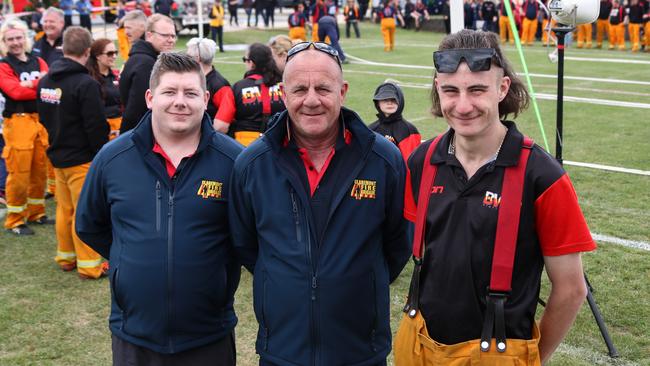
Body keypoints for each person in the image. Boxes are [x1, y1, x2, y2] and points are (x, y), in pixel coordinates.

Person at [393, 29, 596, 365]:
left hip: (498, 352)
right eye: (450, 90)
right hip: (419, 344)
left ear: (502, 88)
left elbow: (572, 289)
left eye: (477, 90)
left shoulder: (542, 176)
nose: (463, 105)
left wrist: (533, 358)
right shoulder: (422, 160)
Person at [229, 41, 411, 366]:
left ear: (342, 92)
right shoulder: (252, 164)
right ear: (283, 94)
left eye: (323, 88)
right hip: (282, 352)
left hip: (360, 352)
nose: (311, 100)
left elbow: (397, 245)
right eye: (299, 89)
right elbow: (247, 247)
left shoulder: (383, 160)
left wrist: (356, 280)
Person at [76, 52, 242, 365]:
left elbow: (248, 236)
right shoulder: (112, 159)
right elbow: (89, 224)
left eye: (191, 93)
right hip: (135, 336)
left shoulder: (234, 162)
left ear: (205, 99)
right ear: (151, 97)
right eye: (170, 92)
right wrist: (131, 257)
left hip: (208, 335)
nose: (180, 101)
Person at [37, 26, 109, 278]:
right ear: (88, 51)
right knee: (83, 211)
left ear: (63, 48)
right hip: (81, 158)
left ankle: (66, 256)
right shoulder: (84, 83)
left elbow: (43, 117)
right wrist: (100, 152)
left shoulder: (45, 81)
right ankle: (89, 265)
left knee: (63, 209)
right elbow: (96, 125)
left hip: (57, 154)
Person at [0, 19, 51, 236]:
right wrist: (37, 85)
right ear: (4, 42)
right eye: (10, 39)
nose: (15, 42)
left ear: (26, 38)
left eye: (19, 37)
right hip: (17, 120)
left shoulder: (38, 60)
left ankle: (36, 212)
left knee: (40, 170)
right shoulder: (3, 65)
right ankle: (15, 220)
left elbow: (50, 90)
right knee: (19, 173)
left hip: (40, 119)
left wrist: (31, 85)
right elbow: (15, 92)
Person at [120, 14, 177, 134]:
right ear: (150, 35)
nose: (171, 40)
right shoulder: (146, 64)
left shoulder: (144, 58)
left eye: (173, 35)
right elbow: (137, 110)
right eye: (165, 35)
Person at [229, 43, 284, 146]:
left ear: (252, 63)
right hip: (279, 145)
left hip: (244, 148)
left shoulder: (238, 87)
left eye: (245, 59)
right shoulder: (284, 85)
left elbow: (221, 125)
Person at [186, 37, 235, 133]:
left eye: (188, 57)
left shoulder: (219, 85)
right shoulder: (193, 79)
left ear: (197, 59)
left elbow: (222, 126)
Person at [368, 82, 420, 163]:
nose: (390, 103)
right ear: (378, 103)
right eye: (385, 99)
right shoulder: (371, 129)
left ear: (400, 101)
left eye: (393, 99)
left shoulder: (409, 130)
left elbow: (411, 165)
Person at [87, 38, 122, 140]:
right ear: (98, 56)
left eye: (116, 52)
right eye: (110, 53)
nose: (114, 56)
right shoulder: (89, 79)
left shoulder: (116, 76)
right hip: (101, 129)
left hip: (119, 127)